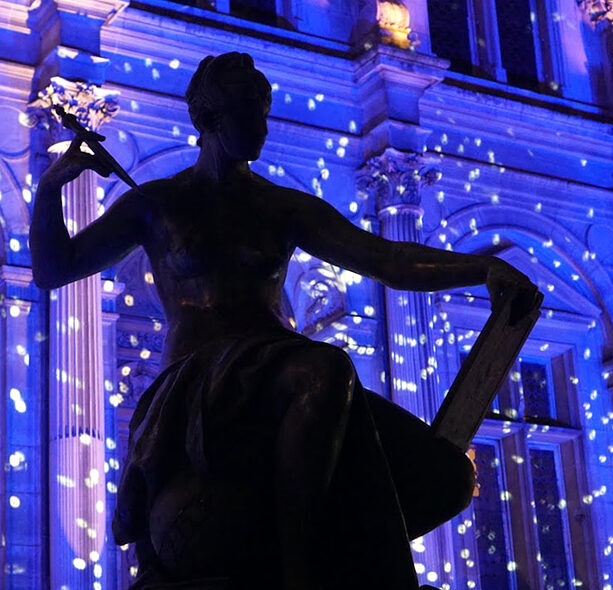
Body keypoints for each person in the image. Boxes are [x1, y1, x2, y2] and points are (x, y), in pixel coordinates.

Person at [30, 52, 539, 590]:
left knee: (447, 476)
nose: (261, 128)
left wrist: (479, 267)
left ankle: (326, 554)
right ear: (208, 119)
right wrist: (50, 189)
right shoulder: (157, 205)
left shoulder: (281, 207)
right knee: (327, 369)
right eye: (246, 113)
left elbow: (387, 260)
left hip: (278, 367)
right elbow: (54, 268)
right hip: (202, 380)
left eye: (264, 113)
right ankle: (300, 575)